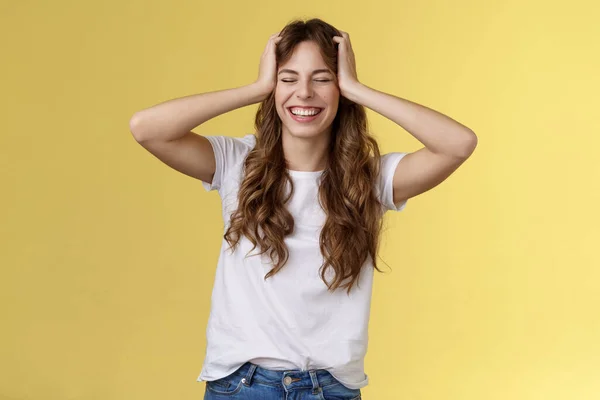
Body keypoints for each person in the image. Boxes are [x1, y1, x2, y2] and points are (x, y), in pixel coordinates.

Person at [129, 17, 477, 400]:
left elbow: (458, 143)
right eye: (288, 78)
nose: (304, 93)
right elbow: (146, 127)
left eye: (322, 79)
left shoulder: (370, 180)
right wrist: (256, 88)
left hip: (331, 390)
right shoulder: (237, 163)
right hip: (243, 387)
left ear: (340, 88)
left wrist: (358, 89)